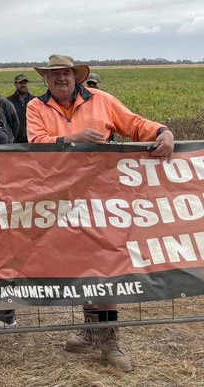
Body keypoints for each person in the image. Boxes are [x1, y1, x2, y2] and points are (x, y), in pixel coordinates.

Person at [27, 54, 174, 373]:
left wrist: (162, 131)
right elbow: (36, 143)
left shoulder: (103, 101)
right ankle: (92, 331)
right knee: (82, 265)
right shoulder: (36, 107)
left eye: (65, 73)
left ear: (76, 76)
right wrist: (73, 140)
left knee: (105, 265)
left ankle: (110, 340)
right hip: (63, 200)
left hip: (103, 198)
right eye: (54, 75)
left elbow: (134, 124)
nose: (60, 79)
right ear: (46, 79)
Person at [6, 74, 33, 143]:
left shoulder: (35, 101)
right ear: (15, 84)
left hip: (32, 139)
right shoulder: (8, 101)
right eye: (20, 83)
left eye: (25, 83)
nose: (23, 85)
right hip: (15, 141)